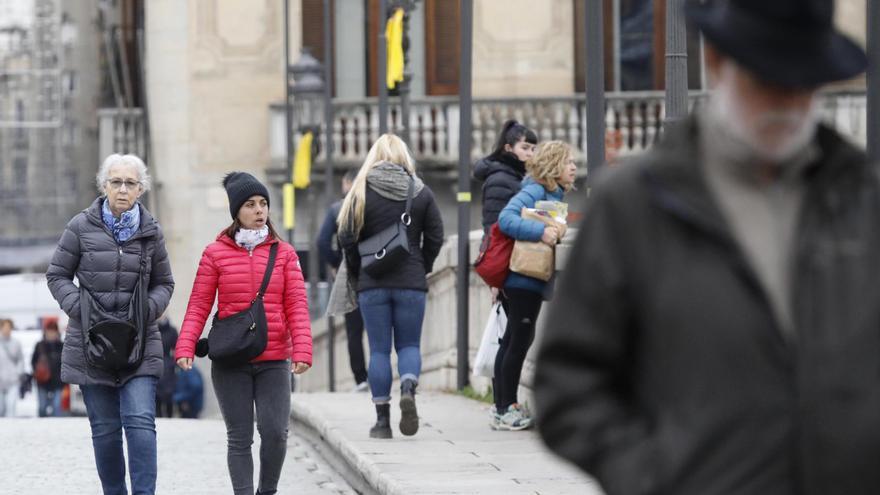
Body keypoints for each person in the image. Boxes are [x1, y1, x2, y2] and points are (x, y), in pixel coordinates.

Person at [534, 1, 880, 494]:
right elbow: (568, 383)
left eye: (802, 82)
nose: (786, 101)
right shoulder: (634, 206)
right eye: (766, 79)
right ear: (717, 62)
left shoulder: (864, 202)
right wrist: (655, 476)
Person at [175, 171, 312, 495]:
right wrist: (185, 346)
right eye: (250, 204)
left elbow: (297, 306)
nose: (259, 210)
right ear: (236, 211)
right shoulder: (214, 254)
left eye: (263, 203)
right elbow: (199, 305)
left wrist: (303, 350)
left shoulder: (285, 254)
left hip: (274, 357)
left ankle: (267, 490)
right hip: (231, 359)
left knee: (275, 431)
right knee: (239, 436)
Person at [46, 153, 174, 494]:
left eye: (130, 183)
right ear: (104, 186)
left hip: (139, 343)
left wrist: (147, 309)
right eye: (115, 182)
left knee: (141, 423)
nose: (122, 189)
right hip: (91, 345)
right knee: (104, 430)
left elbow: (166, 283)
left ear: (141, 189)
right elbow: (57, 274)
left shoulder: (151, 232)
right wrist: (79, 308)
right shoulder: (79, 226)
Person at [337, 134, 444, 439]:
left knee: (380, 351)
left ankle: (382, 422)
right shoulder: (421, 192)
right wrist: (421, 265)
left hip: (373, 284)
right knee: (409, 345)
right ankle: (408, 386)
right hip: (411, 282)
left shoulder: (359, 190)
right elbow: (436, 236)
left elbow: (345, 238)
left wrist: (358, 271)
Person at [492, 141, 575, 431]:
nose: (574, 168)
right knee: (518, 342)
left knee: (517, 340)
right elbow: (505, 219)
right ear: (553, 165)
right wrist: (541, 231)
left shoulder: (551, 193)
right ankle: (506, 407)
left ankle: (502, 406)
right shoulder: (535, 190)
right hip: (522, 278)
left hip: (530, 278)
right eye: (568, 162)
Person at [318, 170, 368, 392]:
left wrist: (337, 263)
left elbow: (321, 242)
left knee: (354, 330)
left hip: (350, 274)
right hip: (375, 271)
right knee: (379, 326)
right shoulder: (372, 206)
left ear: (348, 183)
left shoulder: (336, 209)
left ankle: (361, 379)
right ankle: (380, 374)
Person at [473, 119, 538, 233]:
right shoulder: (500, 180)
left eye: (533, 149)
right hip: (503, 248)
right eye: (525, 148)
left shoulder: (517, 176)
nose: (530, 154)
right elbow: (495, 226)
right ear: (508, 148)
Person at [31, 320, 65, 417]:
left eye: (53, 331)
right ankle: (42, 427)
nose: (51, 334)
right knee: (42, 407)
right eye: (49, 331)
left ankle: (56, 428)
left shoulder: (62, 346)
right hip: (42, 380)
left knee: (56, 406)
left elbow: (66, 363)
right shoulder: (39, 345)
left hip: (58, 380)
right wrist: (37, 371)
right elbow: (33, 361)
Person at [0, 318, 23, 417]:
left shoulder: (16, 343)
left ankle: (10, 429)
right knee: (1, 408)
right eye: (4, 327)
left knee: (11, 407)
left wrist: (18, 373)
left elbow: (20, 360)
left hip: (13, 380)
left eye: (8, 327)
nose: (6, 329)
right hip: (0, 381)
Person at [155, 316, 178, 417]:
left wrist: (175, 362)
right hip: (155, 363)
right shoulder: (153, 329)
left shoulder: (172, 331)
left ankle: (170, 417)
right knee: (156, 395)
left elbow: (176, 348)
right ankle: (158, 417)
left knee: (169, 394)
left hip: (168, 365)